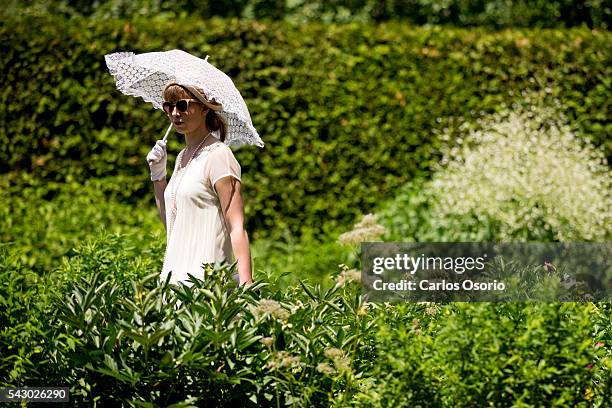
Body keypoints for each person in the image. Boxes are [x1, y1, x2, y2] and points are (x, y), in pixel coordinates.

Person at [146, 82, 253, 286]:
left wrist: (246, 285)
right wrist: (158, 176)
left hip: (206, 283)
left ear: (204, 108)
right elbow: (172, 223)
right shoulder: (181, 158)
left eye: (183, 105)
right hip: (174, 281)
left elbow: (236, 226)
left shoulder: (219, 155)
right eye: (169, 106)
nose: (175, 113)